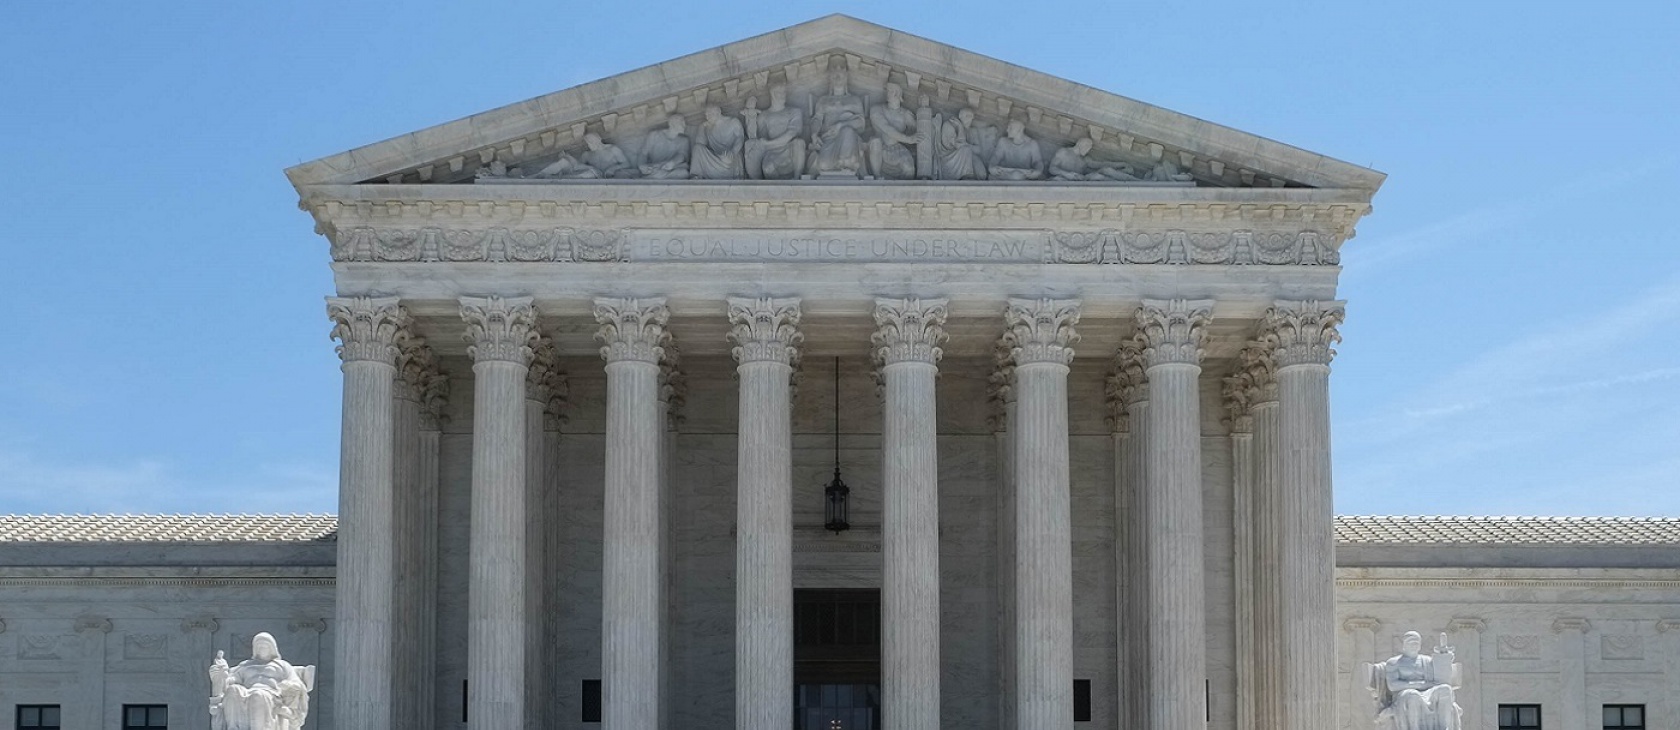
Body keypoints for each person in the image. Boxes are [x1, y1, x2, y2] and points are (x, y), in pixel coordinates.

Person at [208, 633, 315, 730]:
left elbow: (296, 683)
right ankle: (233, 727)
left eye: (265, 646)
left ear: (272, 648)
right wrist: (221, 675)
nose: (262, 648)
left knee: (258, 695)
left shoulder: (282, 665)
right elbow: (232, 680)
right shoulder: (246, 665)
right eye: (259, 646)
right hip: (247, 693)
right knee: (233, 690)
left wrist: (286, 686)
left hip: (272, 695)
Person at [1375, 631, 1461, 730]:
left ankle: (1444, 727)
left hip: (1428, 693)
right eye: (1411, 643)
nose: (1414, 646)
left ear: (1420, 646)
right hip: (1403, 695)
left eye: (1416, 643)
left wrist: (1444, 657)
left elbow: (1440, 677)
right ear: (1404, 645)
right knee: (1412, 694)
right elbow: (1392, 685)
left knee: (1445, 689)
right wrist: (1418, 685)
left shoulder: (1427, 660)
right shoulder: (1394, 662)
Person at [807, 56, 867, 177]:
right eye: (835, 76)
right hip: (828, 139)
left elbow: (861, 123)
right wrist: (814, 134)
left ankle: (847, 162)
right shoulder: (823, 100)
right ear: (830, 78)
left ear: (846, 78)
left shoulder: (854, 100)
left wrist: (842, 125)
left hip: (849, 140)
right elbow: (817, 119)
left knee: (847, 131)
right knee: (823, 164)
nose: (838, 78)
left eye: (841, 75)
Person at [743, 85, 806, 179]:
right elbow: (759, 137)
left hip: (790, 149)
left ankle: (798, 181)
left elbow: (792, 133)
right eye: (780, 92)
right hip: (772, 152)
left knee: (799, 143)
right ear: (772, 94)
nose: (783, 95)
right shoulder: (763, 116)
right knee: (767, 168)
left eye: (784, 92)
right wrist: (750, 116)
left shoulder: (795, 111)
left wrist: (768, 143)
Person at [867, 82, 922, 180]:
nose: (888, 93)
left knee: (909, 168)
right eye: (887, 91)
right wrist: (909, 139)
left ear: (898, 94)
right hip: (880, 148)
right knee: (875, 142)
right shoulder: (877, 109)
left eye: (891, 91)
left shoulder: (905, 114)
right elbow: (887, 128)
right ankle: (877, 178)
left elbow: (919, 130)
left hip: (897, 149)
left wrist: (925, 112)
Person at [689, 104, 745, 179]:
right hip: (714, 158)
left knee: (731, 159)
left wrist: (732, 152)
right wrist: (702, 126)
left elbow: (740, 138)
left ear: (718, 112)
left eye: (709, 114)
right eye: (706, 115)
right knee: (697, 148)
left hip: (729, 159)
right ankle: (696, 176)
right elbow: (700, 143)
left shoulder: (733, 122)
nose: (707, 117)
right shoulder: (709, 129)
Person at [1048, 137, 1139, 181]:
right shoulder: (1064, 152)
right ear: (1080, 144)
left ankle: (1133, 182)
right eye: (1087, 146)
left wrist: (1122, 164)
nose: (1088, 150)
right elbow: (1052, 168)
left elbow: (1102, 164)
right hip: (1063, 180)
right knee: (1097, 177)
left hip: (1081, 181)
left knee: (1106, 170)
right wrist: (1067, 174)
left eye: (1089, 148)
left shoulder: (1083, 160)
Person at [935, 107, 986, 180]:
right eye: (967, 116)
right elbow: (958, 144)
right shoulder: (949, 125)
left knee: (982, 174)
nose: (970, 119)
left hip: (967, 155)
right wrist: (960, 127)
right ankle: (967, 177)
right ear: (960, 116)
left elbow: (978, 150)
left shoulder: (973, 131)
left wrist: (967, 145)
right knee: (966, 150)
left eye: (972, 117)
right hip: (949, 158)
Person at [639, 114, 691, 179]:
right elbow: (643, 153)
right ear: (672, 124)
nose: (684, 125)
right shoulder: (654, 135)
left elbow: (682, 155)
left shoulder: (684, 140)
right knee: (655, 172)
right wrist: (641, 166)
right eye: (681, 122)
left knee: (683, 173)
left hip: (672, 169)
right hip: (654, 167)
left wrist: (673, 163)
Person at [532, 151, 600, 179]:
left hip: (579, 172)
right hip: (573, 169)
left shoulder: (591, 172)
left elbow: (577, 170)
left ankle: (539, 175)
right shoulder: (588, 169)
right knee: (563, 163)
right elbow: (578, 166)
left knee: (563, 163)